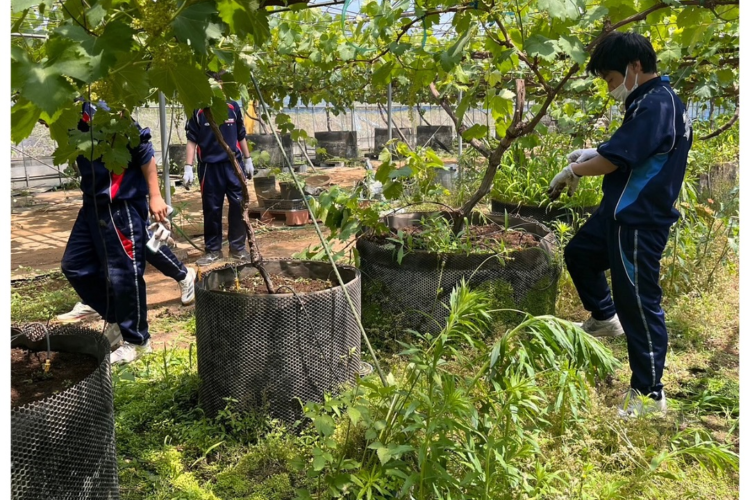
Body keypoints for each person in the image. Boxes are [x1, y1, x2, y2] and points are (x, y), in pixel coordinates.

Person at [547, 32, 692, 418]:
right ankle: (604, 318)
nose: (610, 88)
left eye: (611, 79)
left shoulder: (657, 102)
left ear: (636, 67)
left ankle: (649, 395)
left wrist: (574, 169)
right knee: (580, 254)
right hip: (618, 211)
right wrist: (596, 151)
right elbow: (638, 151)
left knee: (640, 303)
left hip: (638, 220)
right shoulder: (648, 101)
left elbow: (617, 160)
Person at [61, 101, 170, 364]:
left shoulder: (105, 112)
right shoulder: (65, 118)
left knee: (125, 273)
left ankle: (138, 340)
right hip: (92, 205)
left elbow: (144, 150)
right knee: (74, 265)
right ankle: (117, 320)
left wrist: (155, 196)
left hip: (119, 205)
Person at [183, 73, 255, 266]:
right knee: (212, 209)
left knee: (238, 205)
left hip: (234, 166)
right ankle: (213, 250)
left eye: (219, 83)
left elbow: (241, 135)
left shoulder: (233, 107)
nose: (217, 86)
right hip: (210, 168)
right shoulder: (198, 110)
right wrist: (188, 167)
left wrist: (247, 159)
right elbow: (192, 139)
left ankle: (238, 249)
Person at [57, 240, 197, 323]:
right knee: (96, 240)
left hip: (124, 198)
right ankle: (96, 301)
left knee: (143, 237)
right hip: (98, 198)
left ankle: (182, 274)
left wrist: (155, 196)